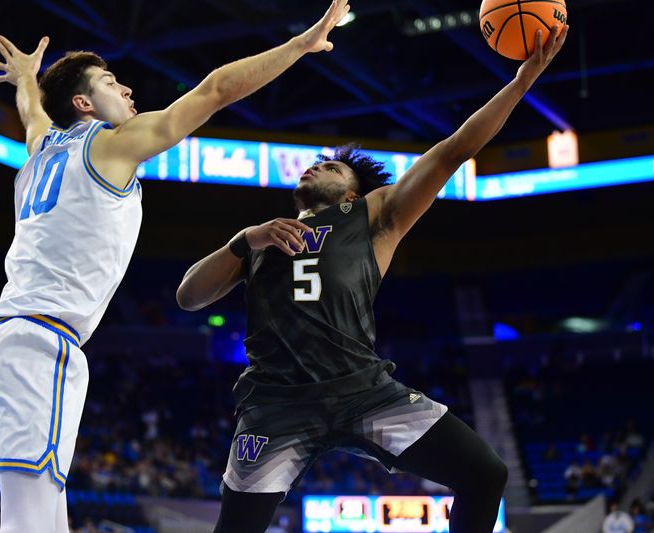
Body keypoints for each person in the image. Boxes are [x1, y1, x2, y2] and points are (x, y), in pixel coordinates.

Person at [0, 2, 351, 532]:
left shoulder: (37, 155)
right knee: (30, 527)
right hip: (39, 347)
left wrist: (28, 80)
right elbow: (214, 90)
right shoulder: (111, 146)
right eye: (110, 82)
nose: (125, 91)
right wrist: (298, 47)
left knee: (47, 523)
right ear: (83, 103)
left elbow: (34, 116)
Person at [177, 24, 569, 533]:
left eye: (332, 166)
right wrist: (244, 239)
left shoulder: (374, 217)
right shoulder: (263, 238)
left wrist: (520, 83)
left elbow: (453, 150)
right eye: (315, 164)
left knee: (485, 474)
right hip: (276, 404)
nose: (319, 165)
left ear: (351, 195)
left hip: (364, 391)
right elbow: (189, 296)